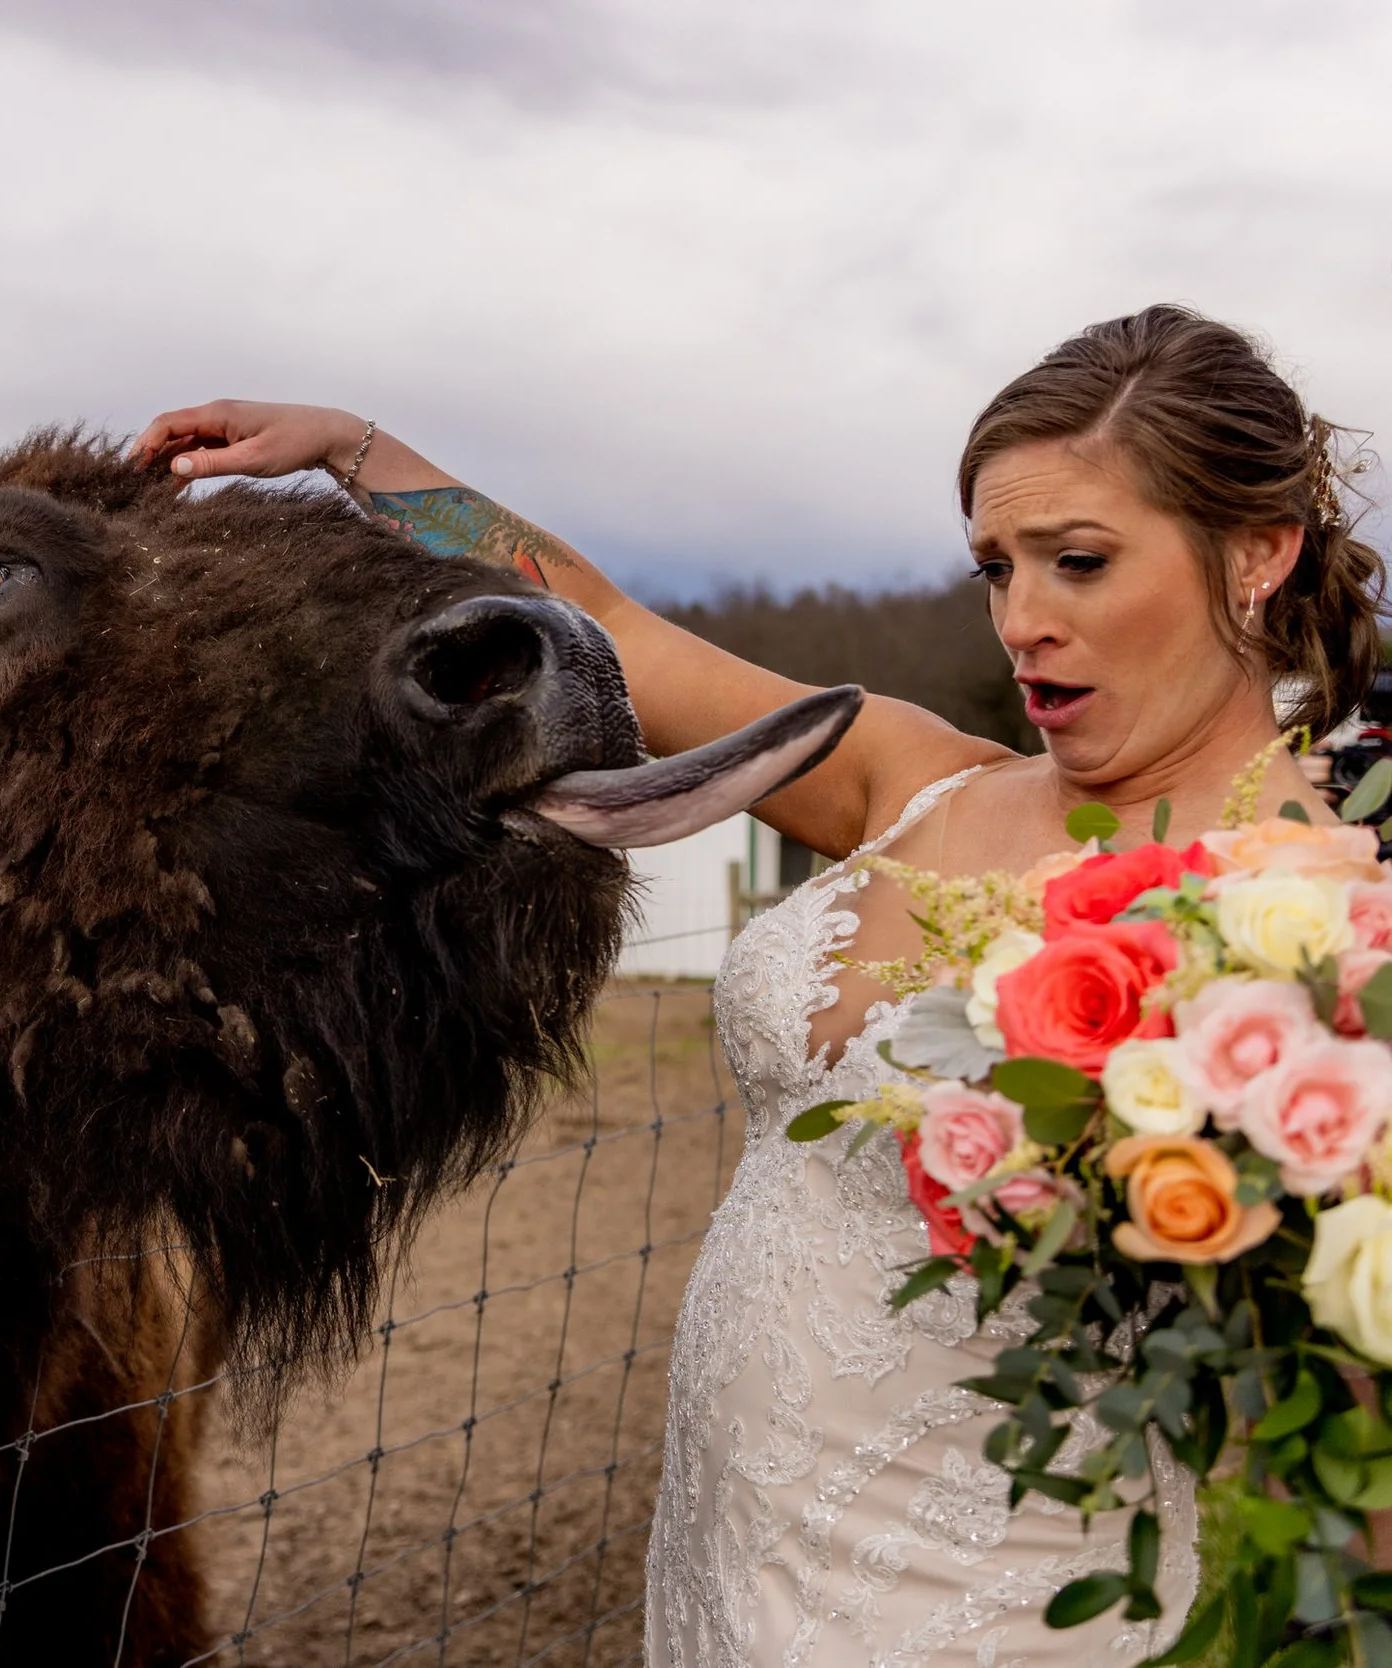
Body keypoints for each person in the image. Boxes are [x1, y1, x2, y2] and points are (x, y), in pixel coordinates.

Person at [136, 306, 1383, 1664]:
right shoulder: (909, 774)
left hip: (1008, 1604)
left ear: (1258, 555)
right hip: (735, 1554)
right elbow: (605, 624)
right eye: (994, 569)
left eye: (1078, 563)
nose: (1023, 621)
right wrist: (357, 451)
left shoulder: (1328, 922)